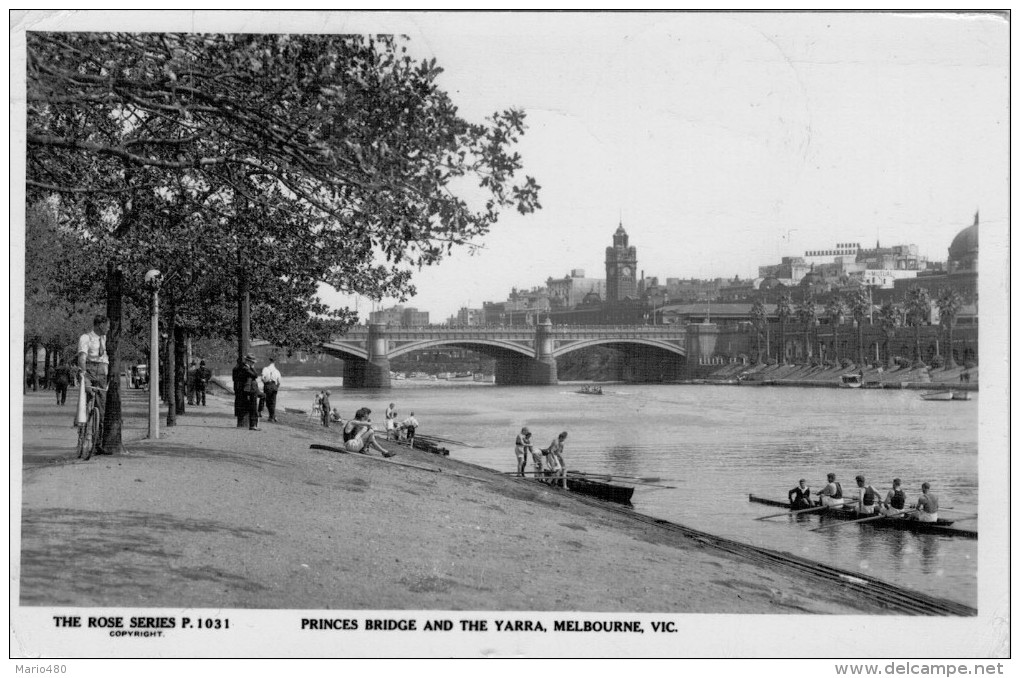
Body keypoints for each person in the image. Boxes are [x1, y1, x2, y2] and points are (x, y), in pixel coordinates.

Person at [77, 315, 110, 454]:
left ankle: (98, 444)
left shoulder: (104, 339)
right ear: (99, 325)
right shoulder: (86, 338)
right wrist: (84, 374)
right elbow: (82, 357)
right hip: (90, 371)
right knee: (86, 403)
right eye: (106, 325)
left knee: (101, 409)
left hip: (102, 373)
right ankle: (81, 433)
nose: (108, 328)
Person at [241, 354, 261, 431]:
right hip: (250, 390)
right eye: (252, 362)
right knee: (253, 407)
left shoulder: (247, 368)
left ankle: (254, 424)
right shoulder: (245, 368)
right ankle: (253, 425)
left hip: (252, 390)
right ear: (248, 361)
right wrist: (252, 368)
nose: (253, 364)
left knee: (254, 407)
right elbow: (255, 375)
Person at [261, 357, 282, 422]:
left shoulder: (265, 369)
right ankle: (272, 416)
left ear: (269, 361)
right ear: (274, 362)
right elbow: (279, 382)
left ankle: (272, 416)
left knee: (267, 402)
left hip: (267, 385)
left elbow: (262, 378)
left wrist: (265, 383)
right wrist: (276, 387)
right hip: (274, 386)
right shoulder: (277, 371)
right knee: (273, 402)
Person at [232, 358, 250, 427]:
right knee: (244, 402)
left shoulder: (235, 369)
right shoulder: (243, 369)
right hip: (242, 388)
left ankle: (238, 415)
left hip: (236, 387)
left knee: (237, 402)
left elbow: (233, 379)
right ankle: (243, 418)